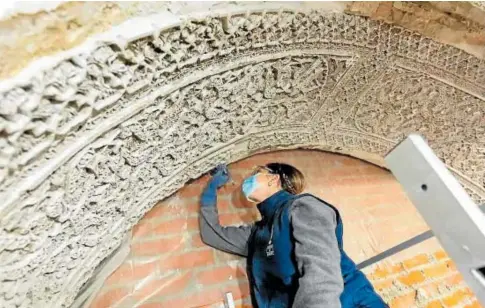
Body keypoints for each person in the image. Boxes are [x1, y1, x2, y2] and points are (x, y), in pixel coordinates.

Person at [199, 163, 388, 308]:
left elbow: (320, 271)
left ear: (274, 179)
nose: (247, 181)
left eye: (255, 174)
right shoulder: (258, 233)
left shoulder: (303, 207)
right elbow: (212, 234)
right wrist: (210, 190)